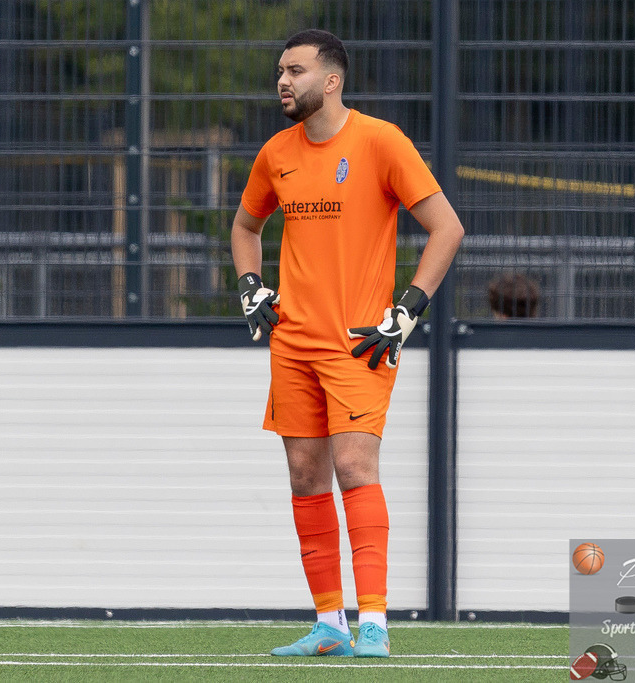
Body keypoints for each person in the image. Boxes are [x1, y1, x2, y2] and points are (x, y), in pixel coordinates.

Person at [230, 29, 464, 658]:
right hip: (294, 344)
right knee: (306, 476)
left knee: (356, 467)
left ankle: (376, 624)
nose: (283, 80)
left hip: (359, 343)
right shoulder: (274, 152)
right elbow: (246, 224)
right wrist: (251, 286)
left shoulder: (381, 141)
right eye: (280, 69)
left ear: (330, 81)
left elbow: (446, 228)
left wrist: (407, 311)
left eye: (296, 70)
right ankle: (330, 624)